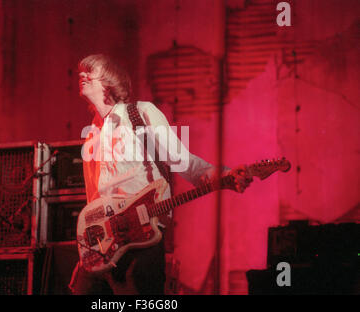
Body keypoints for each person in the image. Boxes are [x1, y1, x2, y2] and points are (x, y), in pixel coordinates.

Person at [69, 54, 253, 295]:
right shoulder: (91, 134)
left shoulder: (140, 113)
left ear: (111, 79)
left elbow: (184, 161)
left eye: (90, 71)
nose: (82, 75)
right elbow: (93, 195)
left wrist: (224, 175)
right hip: (106, 240)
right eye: (81, 72)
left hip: (144, 232)